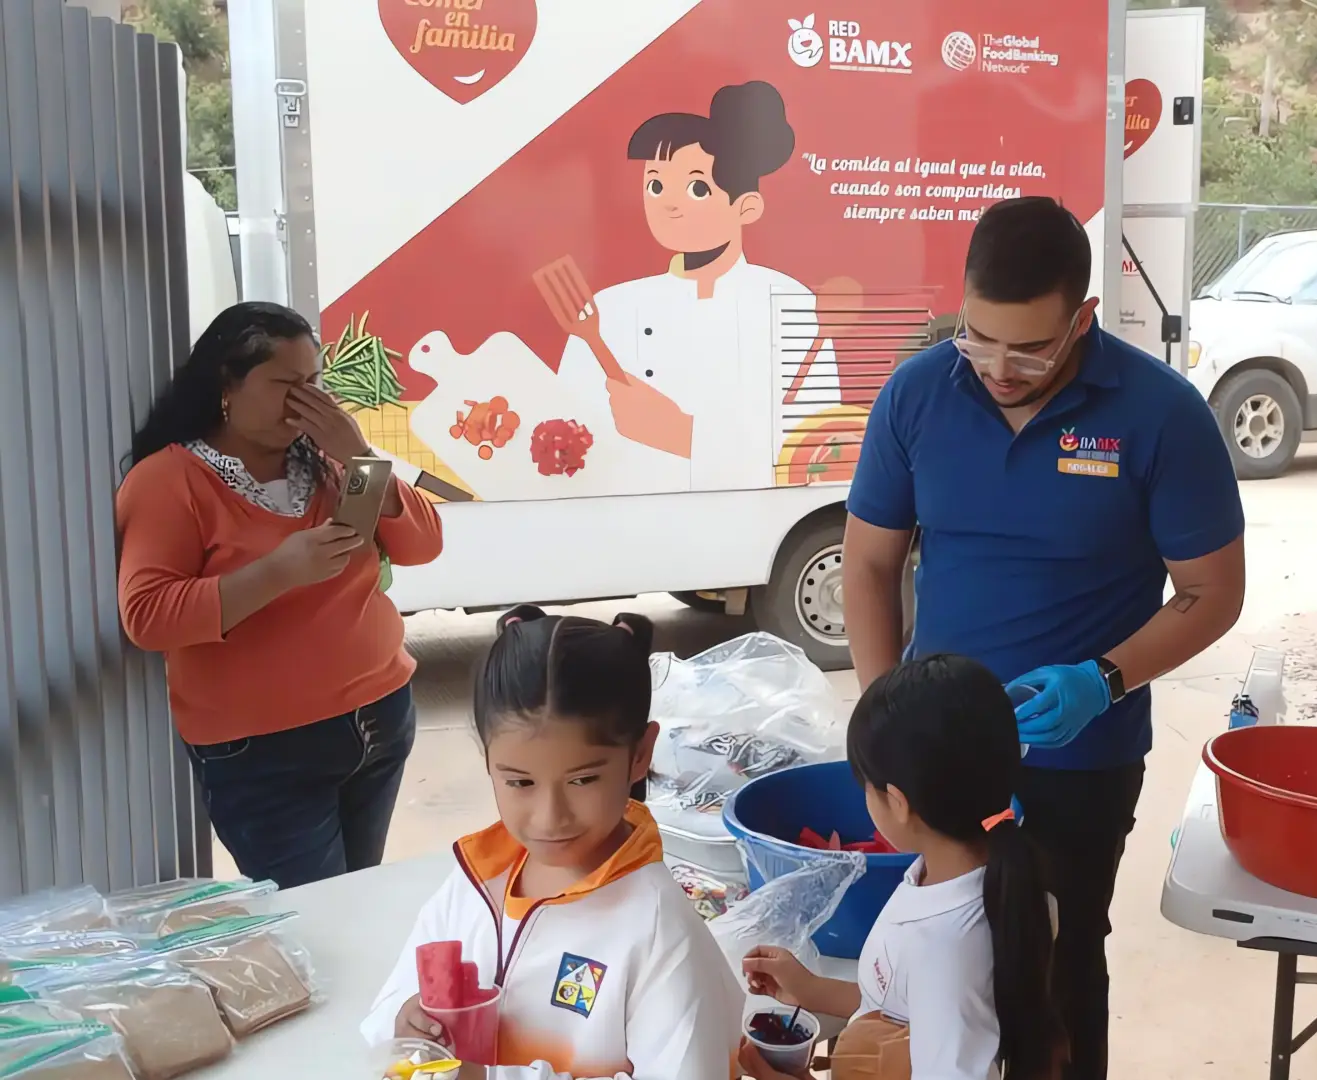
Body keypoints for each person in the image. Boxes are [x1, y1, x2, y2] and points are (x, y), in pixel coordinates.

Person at [841, 196, 1247, 1080]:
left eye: (1030, 346)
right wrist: (882, 722)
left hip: (1080, 756)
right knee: (940, 957)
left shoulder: (1162, 415)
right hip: (942, 750)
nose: (998, 367)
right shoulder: (918, 393)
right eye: (978, 337)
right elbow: (868, 565)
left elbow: (1213, 593)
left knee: (1058, 962)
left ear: (1084, 319)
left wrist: (1103, 679)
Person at [116, 301, 443, 888]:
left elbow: (419, 542)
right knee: (316, 922)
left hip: (379, 717)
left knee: (356, 899)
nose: (304, 402)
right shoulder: (169, 482)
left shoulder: (324, 463)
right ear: (227, 385)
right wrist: (278, 570)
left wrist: (359, 455)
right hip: (264, 751)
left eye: (313, 384)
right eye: (285, 385)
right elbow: (148, 616)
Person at [363, 606, 742, 1078]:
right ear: (488, 760)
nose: (550, 817)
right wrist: (406, 1026)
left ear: (640, 754)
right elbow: (389, 1013)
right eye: (520, 783)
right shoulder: (475, 881)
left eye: (583, 780)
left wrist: (484, 1075)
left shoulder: (656, 928)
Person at [735, 653, 1065, 1080]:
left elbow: (942, 1023)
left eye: (865, 786)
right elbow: (904, 1008)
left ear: (897, 802)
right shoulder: (953, 877)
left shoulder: (947, 948)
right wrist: (812, 989)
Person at [544, 80, 837, 495]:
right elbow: (565, 434)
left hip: (752, 519)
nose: (668, 203)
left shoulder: (788, 303)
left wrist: (683, 435)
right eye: (655, 185)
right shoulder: (609, 309)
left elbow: (818, 452)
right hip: (619, 518)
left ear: (746, 206)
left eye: (697, 188)